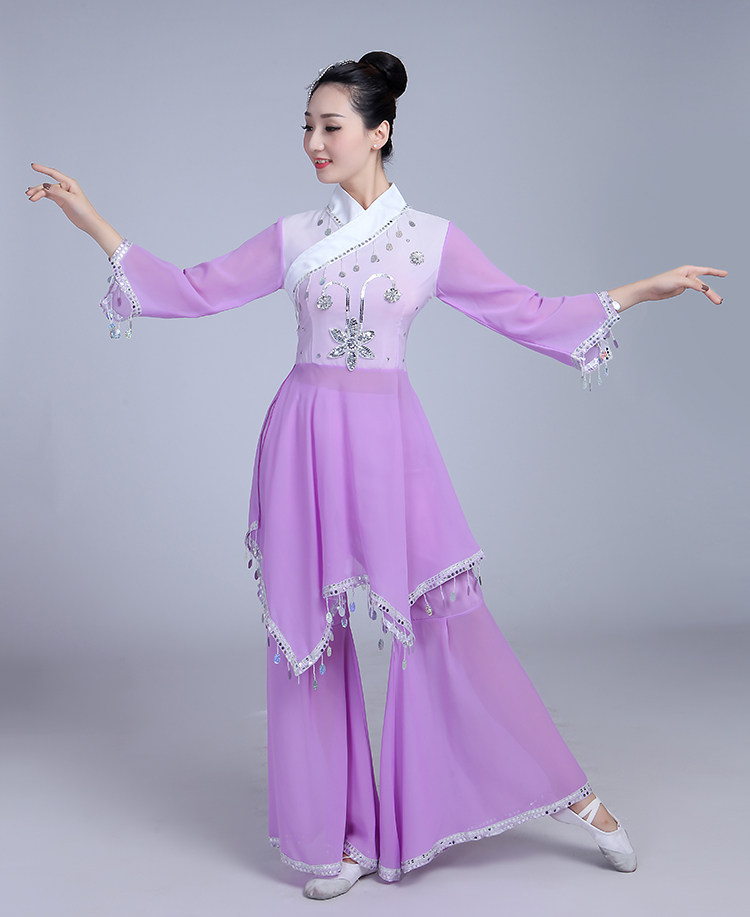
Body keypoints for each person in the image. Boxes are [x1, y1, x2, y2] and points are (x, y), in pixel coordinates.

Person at [26, 51, 726, 901]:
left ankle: (574, 795)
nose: (315, 143)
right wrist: (93, 221)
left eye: (332, 126)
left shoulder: (432, 240)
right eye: (307, 128)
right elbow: (191, 290)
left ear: (379, 130)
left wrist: (640, 291)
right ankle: (341, 837)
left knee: (449, 619)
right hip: (303, 439)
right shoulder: (294, 235)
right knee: (308, 641)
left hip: (392, 446)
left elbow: (528, 312)